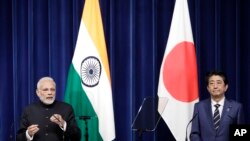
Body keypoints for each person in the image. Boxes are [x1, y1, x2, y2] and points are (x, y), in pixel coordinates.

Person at [16, 77, 81, 141]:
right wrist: (28, 134)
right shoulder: (28, 110)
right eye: (45, 90)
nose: (50, 93)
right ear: (38, 92)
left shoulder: (67, 108)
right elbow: (18, 138)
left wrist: (63, 124)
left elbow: (77, 137)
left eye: (52, 89)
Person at [190, 71, 245, 141]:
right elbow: (194, 133)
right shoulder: (199, 107)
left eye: (219, 83)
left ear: (226, 87)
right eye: (212, 83)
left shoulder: (236, 107)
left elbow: (241, 134)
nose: (215, 86)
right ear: (208, 88)